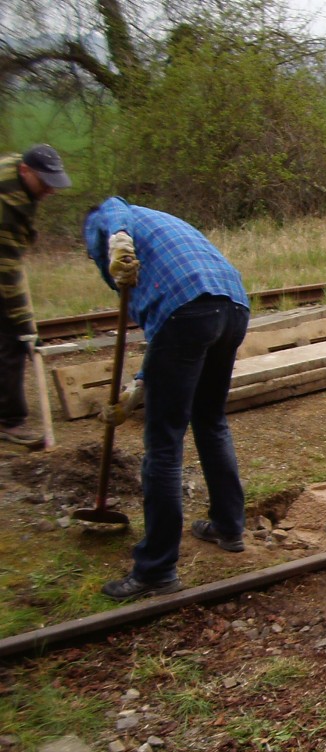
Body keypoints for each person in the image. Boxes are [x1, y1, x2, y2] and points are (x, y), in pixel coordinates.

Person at [84, 197, 251, 600]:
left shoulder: (110, 217)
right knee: (210, 421)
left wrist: (117, 238)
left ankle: (156, 569)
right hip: (232, 306)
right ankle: (228, 528)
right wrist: (138, 386)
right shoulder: (161, 223)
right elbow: (166, 333)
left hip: (189, 311)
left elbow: (111, 208)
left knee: (163, 443)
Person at [0, 144, 70, 448]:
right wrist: (25, 326)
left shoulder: (16, 170)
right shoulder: (5, 208)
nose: (49, 191)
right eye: (44, 183)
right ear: (25, 171)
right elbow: (7, 275)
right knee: (11, 337)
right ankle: (8, 422)